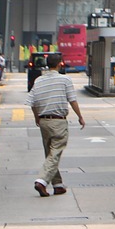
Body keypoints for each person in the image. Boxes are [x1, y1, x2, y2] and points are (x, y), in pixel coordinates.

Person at [27, 52, 85, 197]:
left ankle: (58, 185)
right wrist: (80, 117)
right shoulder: (65, 80)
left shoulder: (39, 80)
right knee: (55, 152)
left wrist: (37, 118)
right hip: (58, 121)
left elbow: (32, 102)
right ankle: (41, 181)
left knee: (50, 153)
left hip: (44, 121)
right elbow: (72, 100)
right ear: (60, 64)